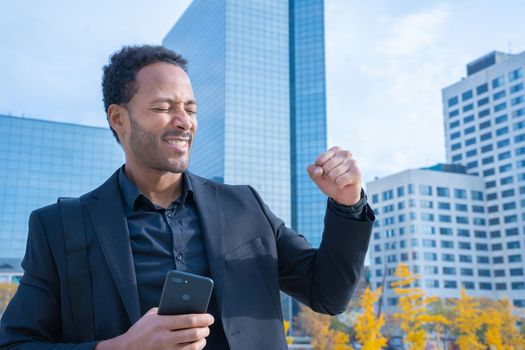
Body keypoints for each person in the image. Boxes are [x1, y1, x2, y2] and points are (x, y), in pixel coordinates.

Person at [0, 45, 374, 350]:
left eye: (190, 108)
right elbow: (15, 343)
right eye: (164, 108)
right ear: (118, 118)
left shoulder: (247, 206)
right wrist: (118, 348)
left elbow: (328, 295)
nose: (184, 121)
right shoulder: (59, 227)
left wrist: (347, 204)